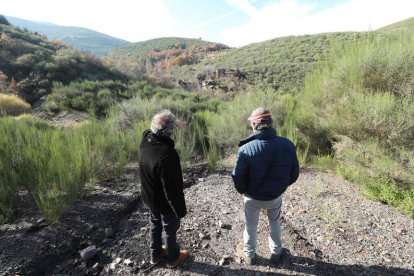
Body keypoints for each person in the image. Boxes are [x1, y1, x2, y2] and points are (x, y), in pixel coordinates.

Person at [232, 107, 299, 265]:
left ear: (254, 125)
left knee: (250, 226)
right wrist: (280, 187)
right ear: (271, 123)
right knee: (274, 222)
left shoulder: (245, 149)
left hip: (252, 197)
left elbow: (238, 177)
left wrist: (244, 191)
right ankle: (276, 253)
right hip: (275, 197)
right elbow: (294, 174)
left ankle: (249, 255)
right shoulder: (288, 145)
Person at [138, 109, 189, 268]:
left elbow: (157, 127)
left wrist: (170, 124)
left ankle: (155, 255)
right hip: (164, 202)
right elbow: (172, 189)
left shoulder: (146, 139)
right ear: (170, 131)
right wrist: (180, 211)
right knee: (169, 228)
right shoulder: (167, 155)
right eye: (174, 128)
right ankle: (173, 259)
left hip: (149, 196)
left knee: (154, 224)